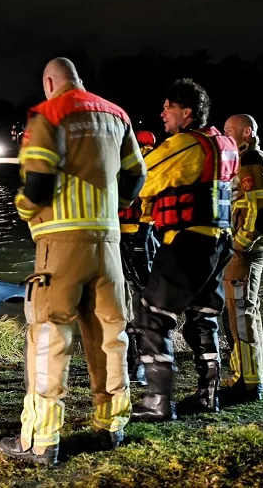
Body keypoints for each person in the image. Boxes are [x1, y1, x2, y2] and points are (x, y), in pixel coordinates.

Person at [0, 57, 146, 466]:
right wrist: (112, 208)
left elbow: (38, 181)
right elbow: (137, 176)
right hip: (109, 245)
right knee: (110, 337)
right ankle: (112, 426)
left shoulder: (49, 114)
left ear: (49, 82)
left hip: (60, 245)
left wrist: (26, 209)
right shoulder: (117, 115)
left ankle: (41, 440)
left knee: (49, 337)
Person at [130, 79, 238, 421]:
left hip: (187, 241)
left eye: (168, 107)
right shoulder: (226, 144)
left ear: (186, 112)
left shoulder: (183, 145)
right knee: (202, 318)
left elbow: (142, 181)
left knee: (151, 316)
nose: (162, 113)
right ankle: (208, 396)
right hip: (219, 242)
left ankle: (158, 402)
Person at [221, 114, 263, 402]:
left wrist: (238, 244)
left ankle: (247, 382)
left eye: (230, 131)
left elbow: (262, 211)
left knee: (240, 316)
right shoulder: (257, 158)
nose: (226, 136)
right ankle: (255, 373)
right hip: (250, 251)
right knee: (246, 312)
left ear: (247, 132)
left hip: (245, 253)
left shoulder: (251, 161)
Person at [119, 130, 160, 387]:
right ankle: (141, 364)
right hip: (143, 240)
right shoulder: (152, 163)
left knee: (125, 301)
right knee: (142, 299)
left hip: (123, 239)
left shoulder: (124, 164)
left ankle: (132, 363)